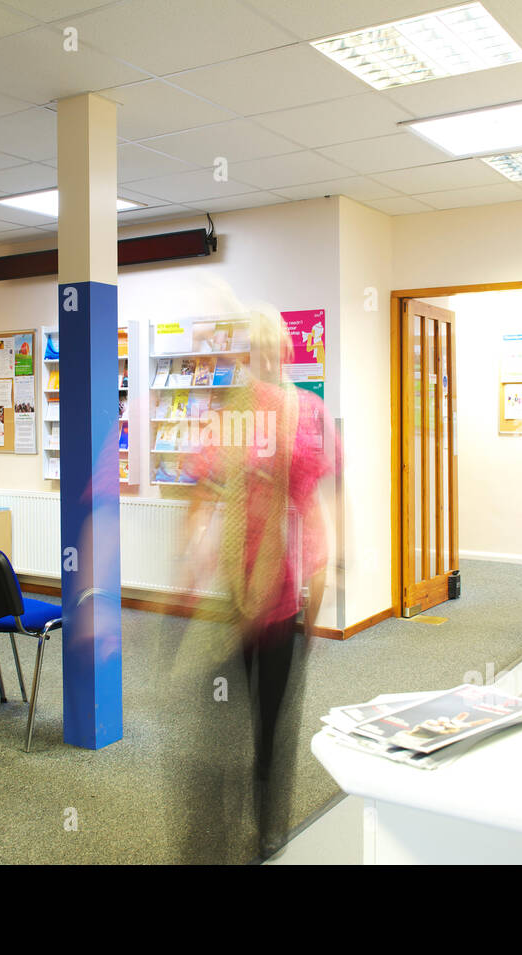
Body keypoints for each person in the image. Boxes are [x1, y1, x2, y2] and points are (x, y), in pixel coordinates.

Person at [177, 307, 339, 860]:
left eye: (269, 346)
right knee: (228, 717)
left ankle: (267, 827)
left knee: (270, 719)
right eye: (256, 347)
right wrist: (193, 563)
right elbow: (202, 490)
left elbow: (313, 499)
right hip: (233, 593)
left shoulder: (303, 411)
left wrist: (318, 579)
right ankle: (233, 829)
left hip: (282, 592)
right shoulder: (231, 413)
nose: (264, 356)